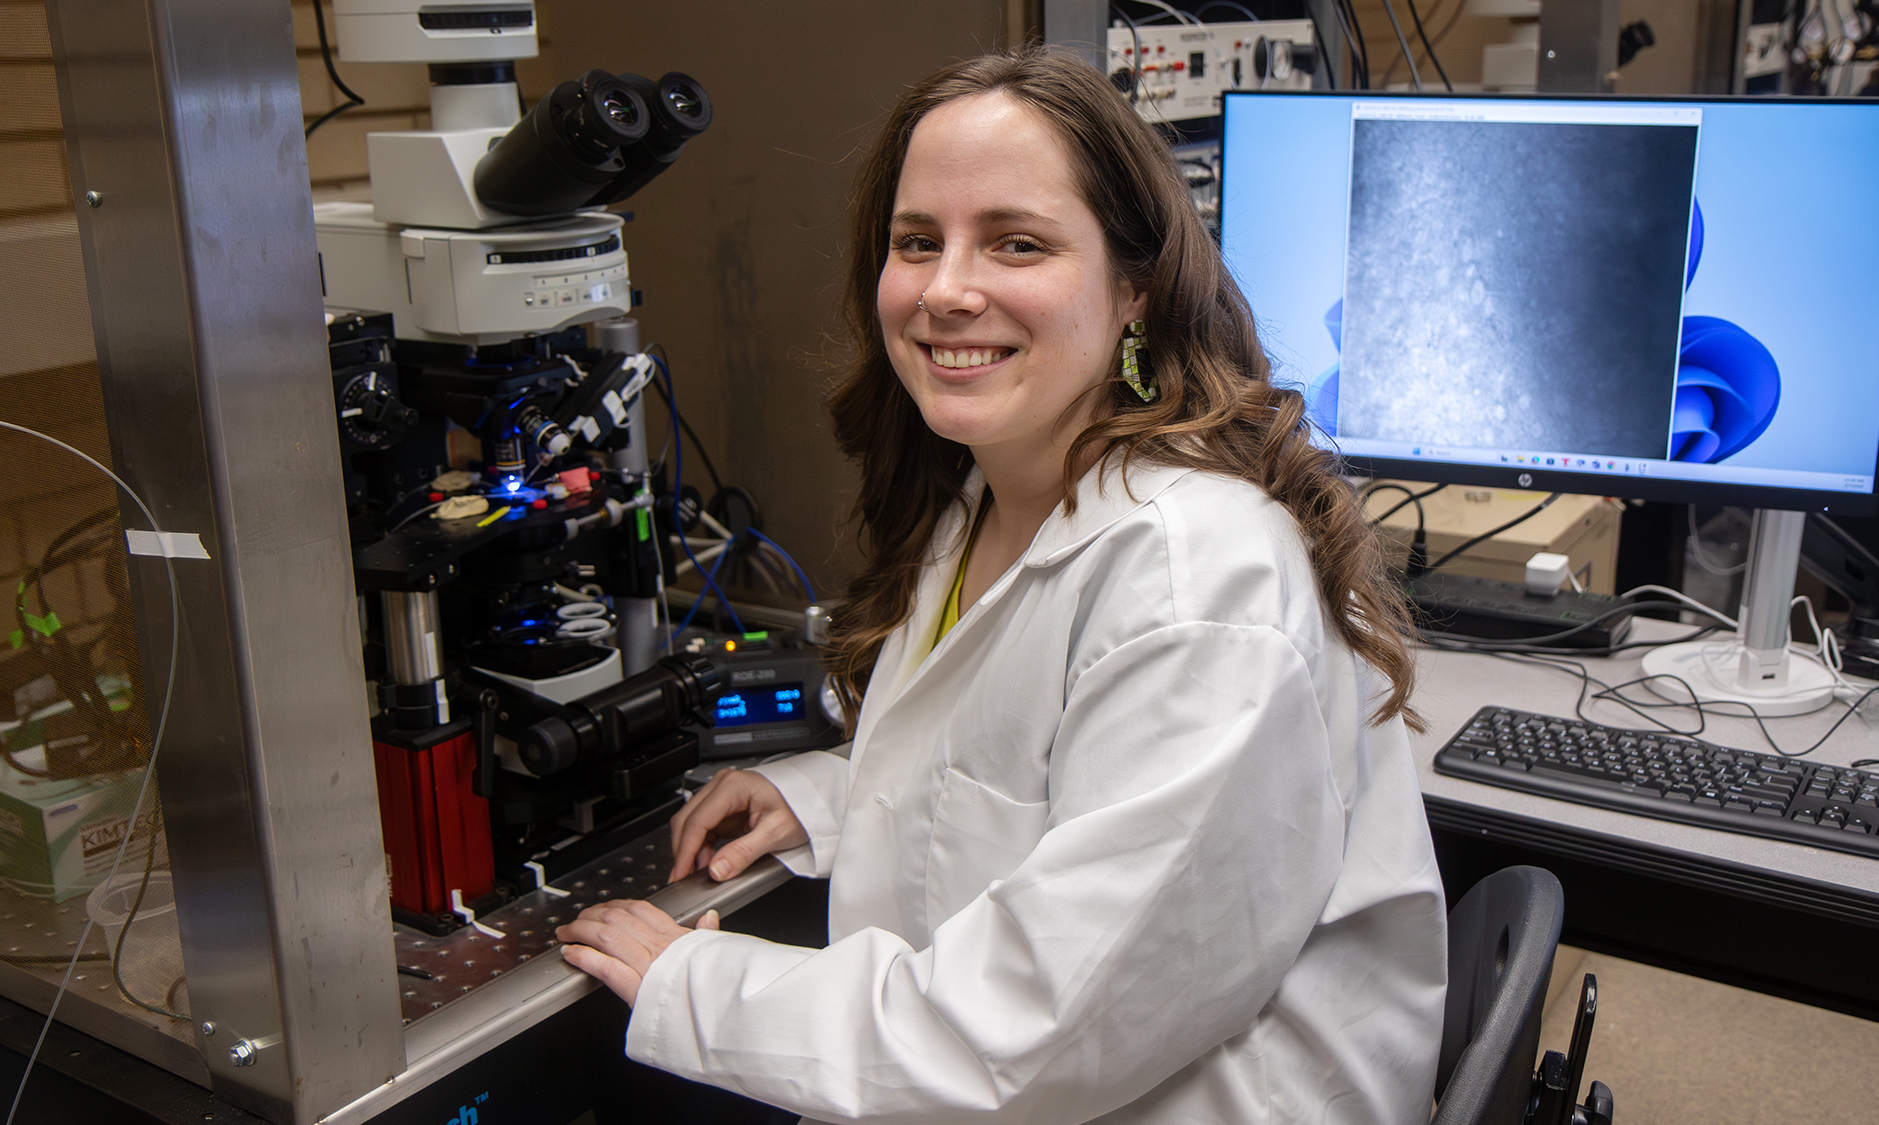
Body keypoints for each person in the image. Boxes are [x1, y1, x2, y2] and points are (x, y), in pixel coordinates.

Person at [556, 48, 1447, 1124]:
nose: (945, 291)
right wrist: (829, 802)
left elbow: (1035, 1031)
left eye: (1015, 243)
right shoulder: (992, 493)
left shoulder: (1196, 578)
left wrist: (698, 989)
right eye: (916, 242)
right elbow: (1038, 773)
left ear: (1135, 289)